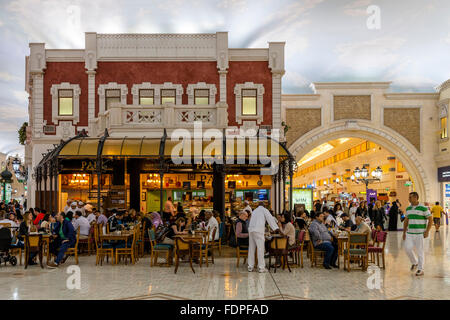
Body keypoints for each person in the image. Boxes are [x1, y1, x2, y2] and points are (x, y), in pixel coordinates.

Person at [402, 192, 432, 276]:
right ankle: (414, 262)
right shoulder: (408, 209)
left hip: (420, 233)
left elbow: (430, 219)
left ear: (415, 198)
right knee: (407, 248)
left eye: (410, 197)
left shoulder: (423, 208)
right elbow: (406, 221)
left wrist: (427, 231)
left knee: (420, 251)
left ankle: (420, 269)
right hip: (410, 233)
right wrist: (404, 232)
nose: (409, 199)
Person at [247, 201, 279, 273]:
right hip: (258, 231)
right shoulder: (264, 210)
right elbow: (270, 219)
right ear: (264, 205)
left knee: (251, 249)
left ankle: (250, 267)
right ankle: (261, 268)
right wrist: (276, 228)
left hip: (251, 230)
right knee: (260, 249)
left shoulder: (254, 211)